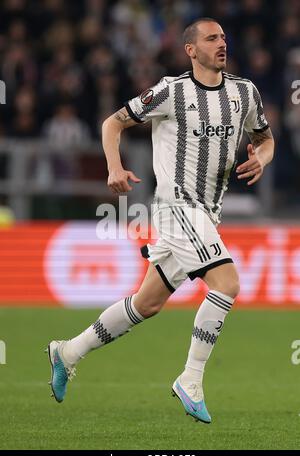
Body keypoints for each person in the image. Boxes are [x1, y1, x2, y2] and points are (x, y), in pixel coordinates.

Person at [46, 18, 274, 424]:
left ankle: (68, 351)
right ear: (191, 49)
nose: (222, 43)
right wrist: (114, 167)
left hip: (206, 214)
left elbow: (265, 137)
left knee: (146, 303)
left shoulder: (244, 92)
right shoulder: (171, 91)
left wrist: (262, 157)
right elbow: (112, 122)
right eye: (211, 38)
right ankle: (191, 378)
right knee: (228, 282)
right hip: (175, 208)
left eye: (223, 36)